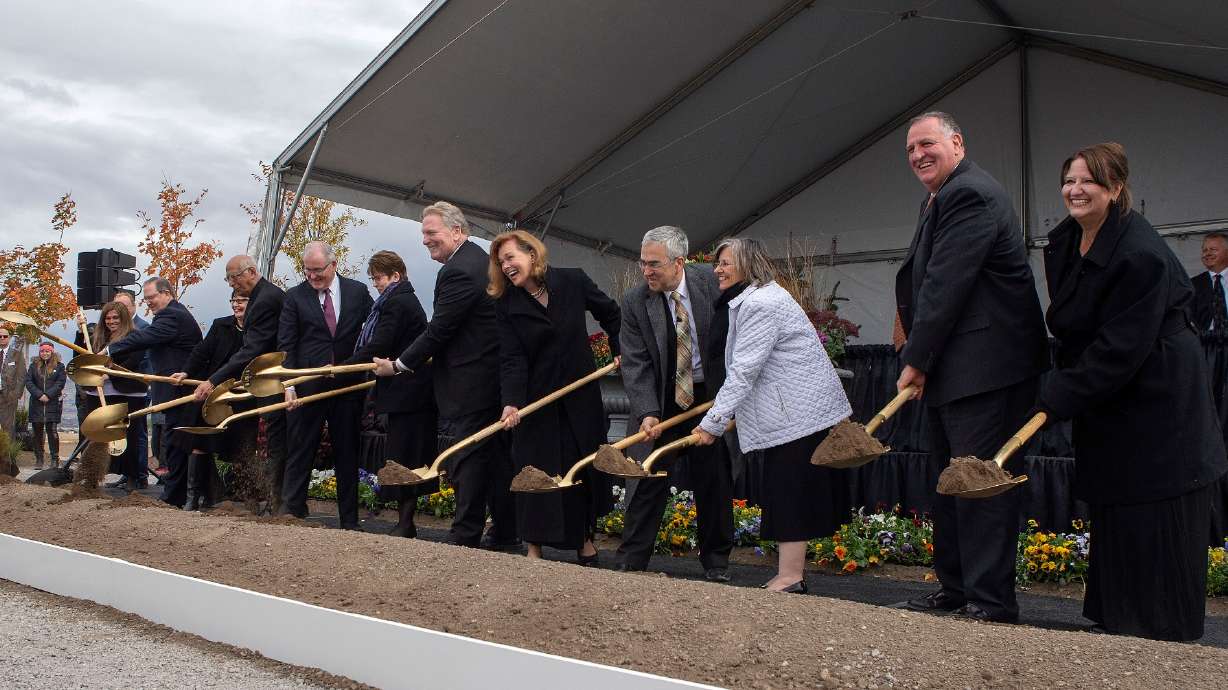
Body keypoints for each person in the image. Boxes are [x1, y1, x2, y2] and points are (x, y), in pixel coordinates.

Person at [1036, 142, 1227, 640]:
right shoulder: (1067, 241)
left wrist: (1057, 394)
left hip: (1159, 396)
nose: (1075, 190)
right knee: (1117, 500)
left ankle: (1158, 628)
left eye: (1088, 182)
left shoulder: (1139, 251)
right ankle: (1118, 616)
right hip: (1116, 398)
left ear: (1116, 189)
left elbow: (1119, 347)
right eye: (1069, 180)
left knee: (1155, 503)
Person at [894, 112, 1048, 623]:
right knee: (949, 482)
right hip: (956, 370)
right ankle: (957, 587)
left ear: (956, 142)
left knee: (979, 484)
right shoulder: (938, 197)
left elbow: (946, 283)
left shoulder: (970, 193)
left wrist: (915, 358)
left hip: (987, 370)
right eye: (911, 148)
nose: (918, 154)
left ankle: (990, 598)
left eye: (927, 143)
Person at [693, 238, 851, 592]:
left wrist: (712, 424)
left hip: (798, 416)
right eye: (717, 262)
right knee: (787, 491)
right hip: (794, 413)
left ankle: (791, 577)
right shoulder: (758, 298)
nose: (717, 268)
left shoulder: (762, 303)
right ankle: (789, 574)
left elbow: (745, 370)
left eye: (725, 263)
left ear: (748, 265)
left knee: (789, 492)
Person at [373, 201, 518, 549]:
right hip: (488, 381)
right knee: (495, 459)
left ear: (457, 231)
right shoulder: (478, 262)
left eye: (431, 232)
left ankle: (465, 533)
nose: (425, 240)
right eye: (423, 233)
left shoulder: (458, 271)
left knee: (468, 457)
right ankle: (504, 529)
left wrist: (396, 366)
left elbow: (439, 331)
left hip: (472, 383)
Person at [490, 230, 621, 564]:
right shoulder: (506, 305)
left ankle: (584, 541)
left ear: (532, 254)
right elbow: (511, 359)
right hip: (537, 405)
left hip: (581, 397)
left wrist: (619, 351)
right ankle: (533, 546)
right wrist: (512, 402)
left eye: (510, 258)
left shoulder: (573, 282)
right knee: (537, 471)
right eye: (501, 262)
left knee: (580, 468)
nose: (505, 266)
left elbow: (611, 312)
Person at [614, 225, 735, 581]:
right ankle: (631, 559)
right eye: (642, 263)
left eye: (654, 264)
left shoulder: (712, 285)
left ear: (679, 262)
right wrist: (648, 412)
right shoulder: (637, 301)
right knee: (647, 473)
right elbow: (635, 362)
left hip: (708, 397)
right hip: (662, 398)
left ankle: (716, 562)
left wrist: (729, 400)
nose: (646, 271)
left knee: (712, 478)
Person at [277, 242, 374, 529]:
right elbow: (286, 345)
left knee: (347, 453)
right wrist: (290, 384)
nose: (312, 276)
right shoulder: (294, 298)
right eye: (307, 270)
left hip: (346, 388)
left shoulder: (357, 292)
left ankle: (350, 522)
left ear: (333, 265)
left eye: (318, 270)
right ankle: (291, 514)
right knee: (300, 450)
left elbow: (371, 331)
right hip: (308, 387)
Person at [344, 251, 435, 538]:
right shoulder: (400, 300)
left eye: (378, 278)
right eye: (372, 279)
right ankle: (404, 521)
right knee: (405, 455)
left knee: (405, 456)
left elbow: (381, 342)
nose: (375, 284)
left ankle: (406, 522)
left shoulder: (397, 303)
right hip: (408, 393)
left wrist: (343, 367)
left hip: (409, 394)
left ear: (395, 275)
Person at [189, 255, 287, 513]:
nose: (232, 284)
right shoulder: (262, 296)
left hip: (274, 380)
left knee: (276, 441)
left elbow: (252, 349)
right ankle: (270, 501)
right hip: (265, 379)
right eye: (228, 279)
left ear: (251, 272)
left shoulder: (265, 299)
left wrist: (213, 381)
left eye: (234, 277)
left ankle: (278, 504)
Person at [106, 277, 203, 506]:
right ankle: (181, 493)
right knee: (175, 441)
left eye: (152, 297)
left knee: (176, 441)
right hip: (173, 389)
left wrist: (110, 349)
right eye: (146, 298)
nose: (148, 302)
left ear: (167, 293)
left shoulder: (172, 316)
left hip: (180, 390)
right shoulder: (169, 315)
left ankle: (175, 496)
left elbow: (145, 337)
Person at [176, 291, 250, 510]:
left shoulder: (259, 330)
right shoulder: (221, 326)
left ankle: (240, 499)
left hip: (242, 396)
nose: (237, 305)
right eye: (234, 301)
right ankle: (193, 498)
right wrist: (185, 373)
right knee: (199, 443)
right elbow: (201, 351)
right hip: (213, 392)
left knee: (240, 447)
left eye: (242, 301)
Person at [78, 302, 149, 492]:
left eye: (115, 318)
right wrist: (80, 332)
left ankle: (133, 476)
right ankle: (93, 475)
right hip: (99, 392)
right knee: (97, 434)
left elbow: (133, 362)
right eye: (108, 318)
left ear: (124, 319)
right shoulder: (99, 336)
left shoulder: (135, 336)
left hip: (128, 393)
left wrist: (109, 373)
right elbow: (85, 357)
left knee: (129, 436)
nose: (111, 322)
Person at [111, 289, 153, 489]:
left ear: (134, 306)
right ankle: (127, 472)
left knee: (139, 432)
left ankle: (140, 474)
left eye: (124, 307)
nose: (120, 311)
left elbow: (142, 360)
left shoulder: (143, 328)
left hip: (139, 387)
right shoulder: (117, 330)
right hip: (120, 388)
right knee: (124, 432)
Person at [24, 342, 66, 470]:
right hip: (36, 404)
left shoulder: (59, 366)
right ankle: (39, 459)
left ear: (52, 352)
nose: (45, 353)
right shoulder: (33, 366)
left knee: (52, 432)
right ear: (39, 352)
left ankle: (54, 459)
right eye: (42, 351)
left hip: (52, 403)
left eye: (47, 351)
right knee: (36, 433)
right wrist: (39, 395)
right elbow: (28, 381)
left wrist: (48, 395)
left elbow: (60, 382)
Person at [0, 327, 24, 440]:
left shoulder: (16, 354)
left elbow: (22, 376)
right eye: (0, 336)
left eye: (4, 336)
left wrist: (15, 394)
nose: (2, 338)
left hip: (8, 396)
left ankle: (7, 456)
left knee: (7, 428)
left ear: (9, 338)